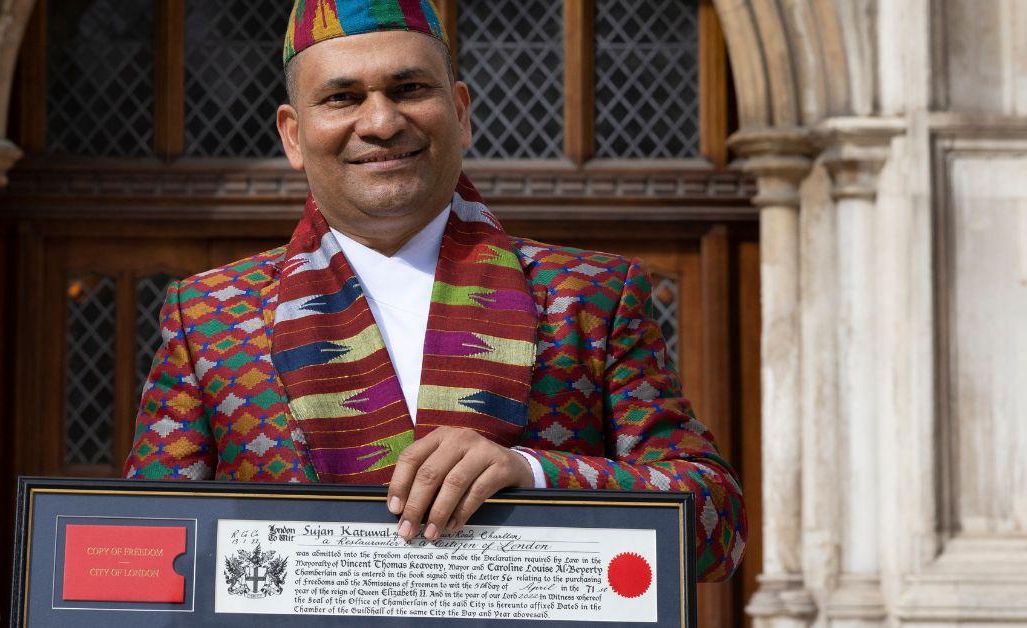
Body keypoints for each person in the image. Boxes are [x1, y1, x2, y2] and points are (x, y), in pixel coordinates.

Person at [125, 0, 746, 582]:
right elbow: (141, 547)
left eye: (409, 89)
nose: (381, 121)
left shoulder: (590, 296)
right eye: (342, 97)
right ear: (293, 134)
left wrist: (531, 472)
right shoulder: (207, 315)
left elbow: (720, 528)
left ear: (461, 110)